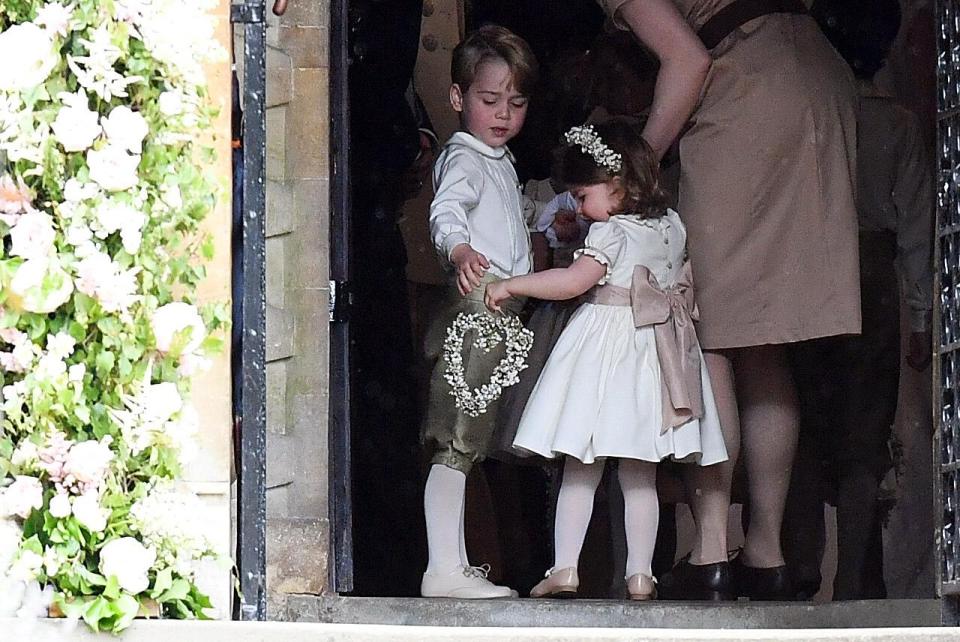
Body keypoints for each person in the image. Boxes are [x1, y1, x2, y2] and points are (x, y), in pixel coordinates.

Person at [595, 0, 861, 599]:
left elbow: (686, 60)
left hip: (747, 91)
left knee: (706, 328)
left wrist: (631, 171)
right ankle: (765, 551)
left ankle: (710, 545)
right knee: (764, 339)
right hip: (814, 76)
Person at [486, 118, 728, 600]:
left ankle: (565, 567)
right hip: (657, 354)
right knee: (641, 472)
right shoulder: (670, 224)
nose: (579, 206)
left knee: (581, 463)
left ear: (616, 185)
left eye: (582, 195)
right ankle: (641, 573)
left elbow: (573, 283)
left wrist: (512, 284)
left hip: (608, 350)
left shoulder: (610, 233)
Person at [783, 0, 934, 600]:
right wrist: (920, 316)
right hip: (874, 270)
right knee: (865, 432)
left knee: (802, 418)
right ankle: (854, 580)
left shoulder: (813, 117)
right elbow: (918, 227)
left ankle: (795, 568)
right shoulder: (897, 125)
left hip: (807, 263)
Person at [419, 25, 539, 599]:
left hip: (500, 306)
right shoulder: (465, 158)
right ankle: (442, 567)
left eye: (516, 103)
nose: (503, 114)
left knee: (473, 439)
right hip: (480, 303)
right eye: (490, 100)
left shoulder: (499, 160)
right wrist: (459, 247)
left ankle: (455, 563)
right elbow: (448, 210)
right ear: (458, 97)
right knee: (458, 438)